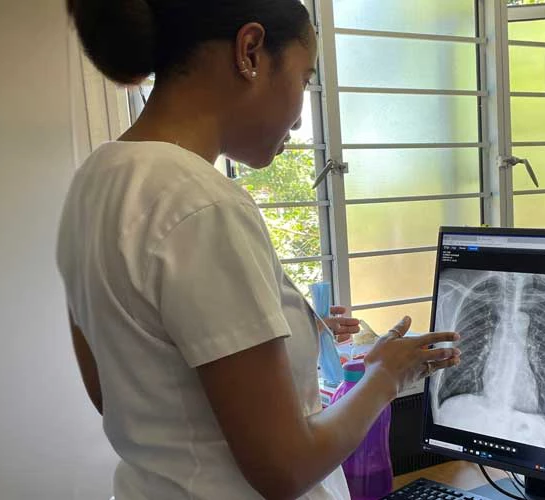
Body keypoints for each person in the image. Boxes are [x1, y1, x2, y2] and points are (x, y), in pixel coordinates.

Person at [57, 1, 461, 499]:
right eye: (304, 77)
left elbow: (117, 394)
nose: (299, 114)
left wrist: (285, 338)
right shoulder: (200, 204)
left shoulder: (94, 183)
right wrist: (386, 375)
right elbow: (284, 470)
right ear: (250, 51)